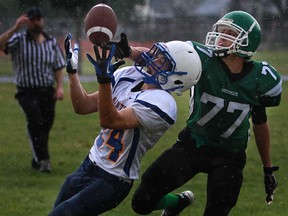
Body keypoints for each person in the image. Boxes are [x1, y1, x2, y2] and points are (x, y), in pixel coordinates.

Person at [109, 10, 282, 216]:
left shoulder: (260, 79)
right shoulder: (202, 59)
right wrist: (129, 51)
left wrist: (267, 168)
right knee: (142, 202)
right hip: (193, 145)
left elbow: (260, 122)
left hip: (231, 156)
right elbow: (161, 60)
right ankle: (176, 204)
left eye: (229, 34)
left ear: (247, 42)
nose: (220, 38)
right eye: (221, 32)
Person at [48, 34, 202, 216]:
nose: (154, 60)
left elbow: (110, 120)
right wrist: (72, 72)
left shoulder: (163, 103)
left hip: (113, 179)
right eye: (158, 55)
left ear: (176, 78)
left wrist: (104, 80)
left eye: (162, 61)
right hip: (88, 164)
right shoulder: (130, 76)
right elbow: (83, 106)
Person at [0, 7, 65, 172]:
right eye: (33, 19)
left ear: (42, 20)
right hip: (27, 90)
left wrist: (60, 87)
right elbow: (1, 45)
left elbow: (58, 67)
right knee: (35, 122)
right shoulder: (19, 39)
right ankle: (44, 161)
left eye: (39, 19)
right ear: (28, 21)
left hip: (47, 90)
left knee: (45, 125)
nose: (37, 22)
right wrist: (15, 28)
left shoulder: (51, 43)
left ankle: (37, 158)